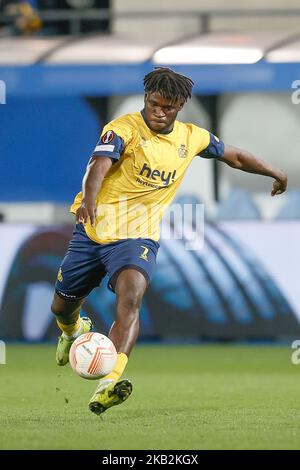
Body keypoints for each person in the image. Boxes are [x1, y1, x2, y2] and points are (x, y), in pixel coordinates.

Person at [51, 67, 287, 415]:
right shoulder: (122, 129)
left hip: (137, 236)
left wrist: (275, 171)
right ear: (146, 98)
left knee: (131, 298)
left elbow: (234, 156)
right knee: (61, 307)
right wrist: (89, 199)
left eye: (167, 107)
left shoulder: (192, 137)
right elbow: (98, 166)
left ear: (180, 105)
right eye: (153, 103)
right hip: (93, 230)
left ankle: (108, 382)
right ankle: (72, 329)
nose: (157, 112)